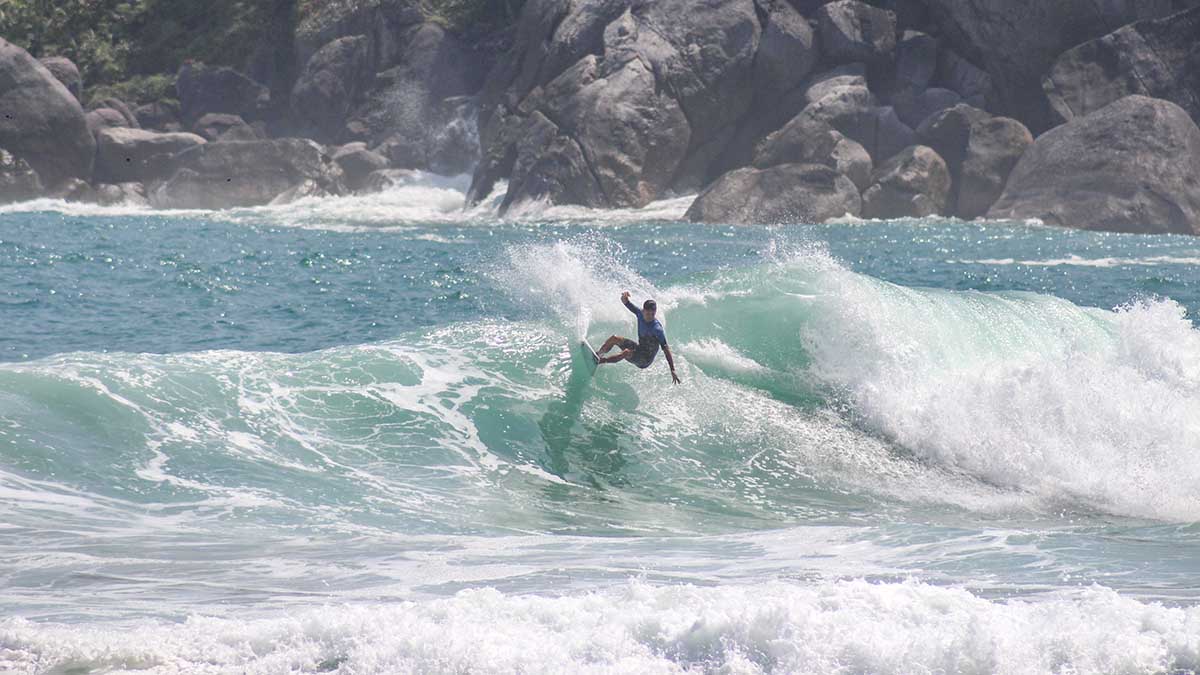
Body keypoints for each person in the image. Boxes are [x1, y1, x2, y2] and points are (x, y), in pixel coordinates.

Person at [597, 291, 681, 384]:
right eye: (648, 314)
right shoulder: (639, 313)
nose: (650, 316)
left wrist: (672, 369)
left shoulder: (657, 329)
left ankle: (601, 361)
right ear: (643, 310)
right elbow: (626, 303)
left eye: (652, 314)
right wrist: (624, 297)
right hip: (639, 348)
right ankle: (598, 354)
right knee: (614, 338)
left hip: (645, 360)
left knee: (626, 352)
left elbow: (666, 349)